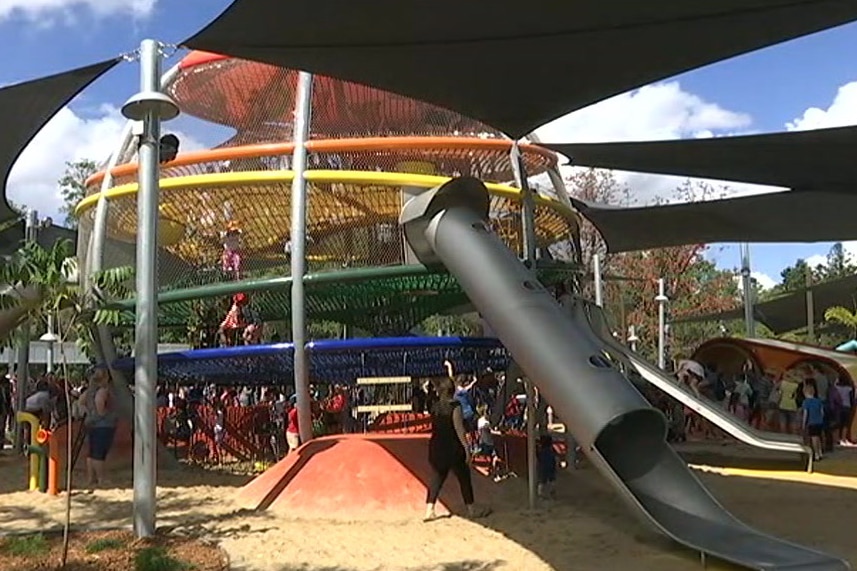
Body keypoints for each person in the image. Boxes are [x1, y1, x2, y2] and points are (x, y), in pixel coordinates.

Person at [424, 376, 489, 521]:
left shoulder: (435, 406)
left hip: (436, 445)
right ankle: (471, 509)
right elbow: (459, 429)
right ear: (452, 390)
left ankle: (429, 510)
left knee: (437, 478)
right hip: (452, 447)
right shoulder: (455, 406)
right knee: (464, 478)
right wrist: (467, 448)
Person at [83, 369, 118, 488]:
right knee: (99, 453)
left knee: (92, 452)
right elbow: (100, 404)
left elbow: (81, 401)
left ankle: (90, 478)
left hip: (92, 424)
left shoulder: (90, 391)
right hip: (104, 425)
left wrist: (90, 413)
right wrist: (103, 414)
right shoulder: (103, 391)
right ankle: (101, 479)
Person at [801, 382, 825, 462]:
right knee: (818, 437)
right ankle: (820, 452)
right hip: (819, 422)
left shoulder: (806, 402)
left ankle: (816, 454)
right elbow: (822, 412)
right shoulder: (818, 401)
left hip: (811, 422)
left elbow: (805, 413)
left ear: (805, 393)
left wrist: (803, 424)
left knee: (814, 438)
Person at [537, 434, 558, 499]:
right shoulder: (551, 451)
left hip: (543, 467)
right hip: (550, 466)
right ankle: (552, 492)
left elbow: (539, 459)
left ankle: (540, 494)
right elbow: (554, 458)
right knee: (552, 480)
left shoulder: (541, 451)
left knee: (542, 481)